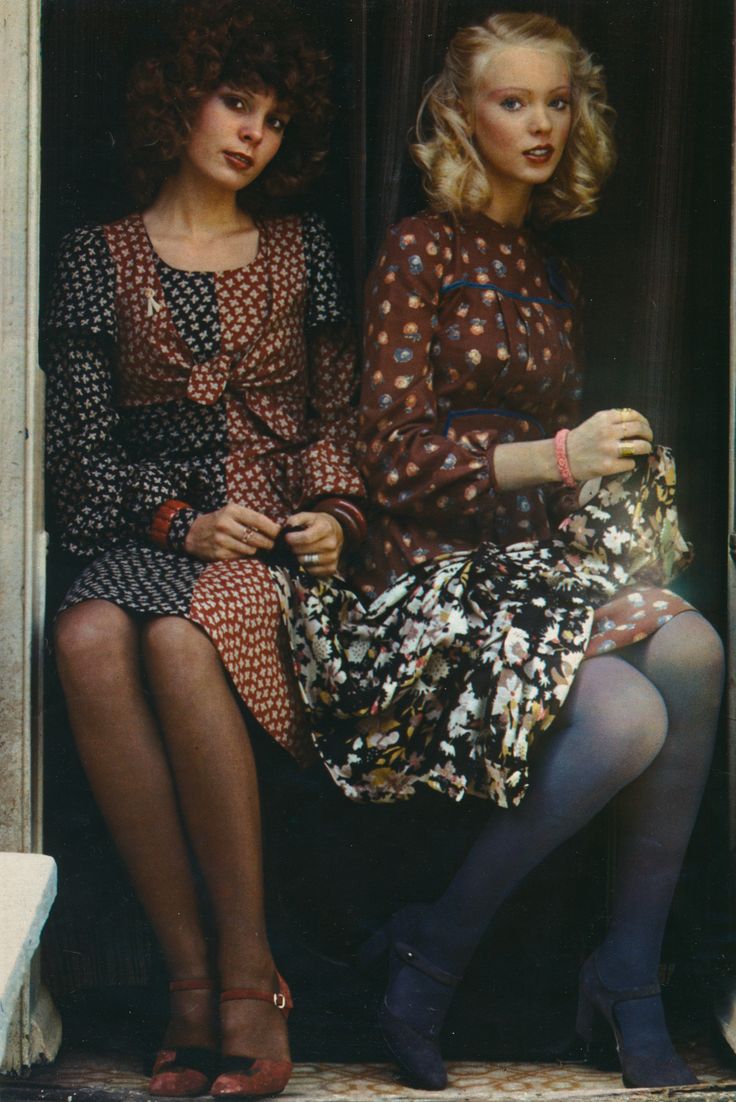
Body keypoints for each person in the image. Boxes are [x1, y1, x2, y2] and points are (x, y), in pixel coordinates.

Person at [275, 11, 724, 1092]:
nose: (539, 124)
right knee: (624, 715)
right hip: (421, 582)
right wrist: (554, 457)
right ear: (461, 118)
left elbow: (551, 479)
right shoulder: (417, 248)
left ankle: (626, 970)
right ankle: (429, 954)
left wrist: (598, 483)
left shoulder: (548, 273)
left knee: (697, 652)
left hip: (526, 575)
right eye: (510, 101)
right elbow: (387, 459)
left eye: (556, 101)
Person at [43, 1, 366, 1097]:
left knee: (182, 643)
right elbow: (78, 459)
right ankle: (185, 981)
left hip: (267, 543)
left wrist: (334, 512)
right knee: (88, 634)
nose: (252, 134)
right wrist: (177, 520)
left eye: (274, 120)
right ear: (180, 97)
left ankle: (246, 976)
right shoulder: (98, 256)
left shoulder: (300, 246)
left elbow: (335, 417)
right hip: (148, 533)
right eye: (236, 102)